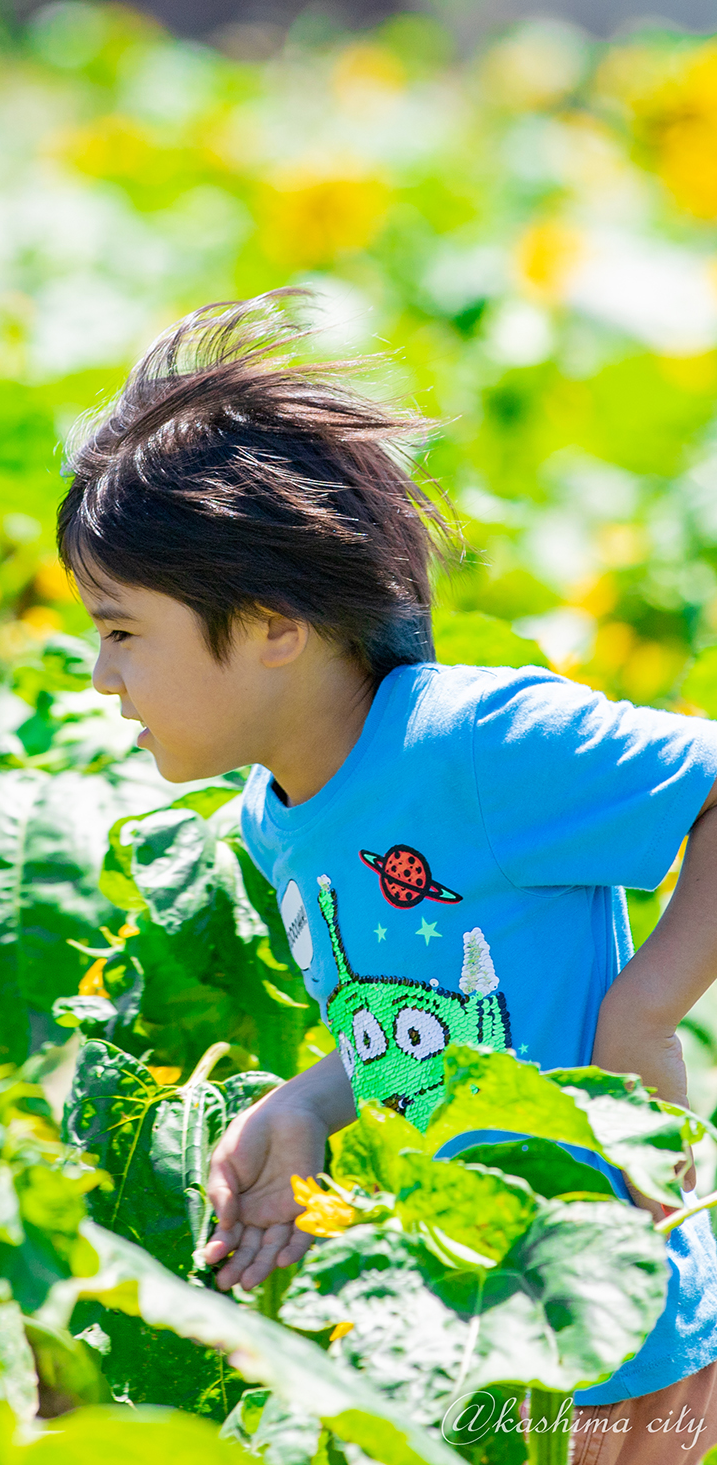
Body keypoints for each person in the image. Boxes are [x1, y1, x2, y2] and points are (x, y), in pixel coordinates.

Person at [56, 289, 717, 1464]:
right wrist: (312, 1103)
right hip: (456, 1320)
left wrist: (646, 1002)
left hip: (614, 1322)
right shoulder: (281, 819)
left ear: (270, 625)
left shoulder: (472, 739)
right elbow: (432, 1011)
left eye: (121, 632)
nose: (101, 677)